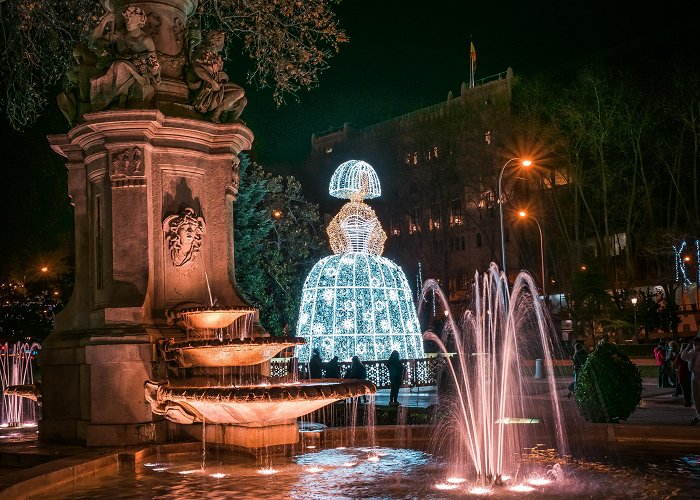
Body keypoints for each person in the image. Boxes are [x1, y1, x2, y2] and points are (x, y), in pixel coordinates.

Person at [89, 6, 160, 111]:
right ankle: (107, 102)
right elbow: (94, 40)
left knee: (120, 66)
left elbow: (154, 63)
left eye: (132, 19)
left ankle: (116, 101)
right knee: (94, 77)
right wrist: (105, 21)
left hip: (138, 70)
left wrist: (152, 70)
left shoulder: (145, 40)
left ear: (140, 21)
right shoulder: (121, 35)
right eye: (127, 19)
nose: (128, 22)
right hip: (118, 66)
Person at [186, 30, 247, 123]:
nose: (223, 43)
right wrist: (212, 81)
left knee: (242, 101)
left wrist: (225, 76)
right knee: (240, 91)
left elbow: (219, 75)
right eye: (221, 40)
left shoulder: (216, 56)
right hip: (206, 88)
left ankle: (228, 121)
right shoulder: (204, 51)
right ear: (215, 41)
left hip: (218, 87)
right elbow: (197, 69)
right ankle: (216, 113)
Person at [680, 335, 700, 425]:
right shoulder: (693, 352)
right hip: (693, 374)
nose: (694, 345)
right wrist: (687, 348)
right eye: (693, 343)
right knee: (695, 396)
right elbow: (683, 357)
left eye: (696, 343)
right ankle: (698, 414)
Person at [674, 343, 692, 408]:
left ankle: (687, 402)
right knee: (689, 388)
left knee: (684, 389)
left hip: (682, 373)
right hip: (689, 373)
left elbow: (676, 362)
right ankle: (689, 401)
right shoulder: (690, 353)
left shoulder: (681, 355)